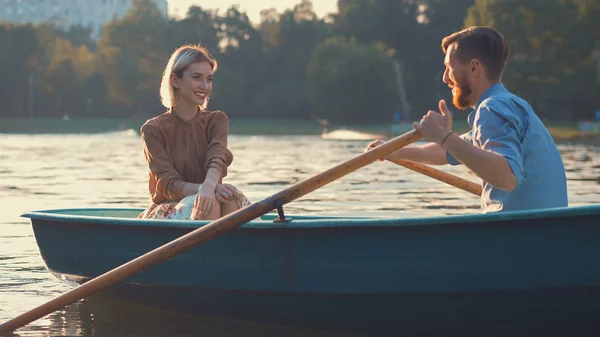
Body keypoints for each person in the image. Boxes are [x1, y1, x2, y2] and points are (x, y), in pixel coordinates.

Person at [366, 26, 568, 213]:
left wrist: (445, 138)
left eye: (448, 67)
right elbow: (446, 152)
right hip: (539, 235)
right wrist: (392, 151)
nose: (445, 78)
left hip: (522, 237)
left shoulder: (492, 109)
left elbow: (507, 177)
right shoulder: (510, 105)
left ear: (474, 67)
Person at [138, 44, 251, 220]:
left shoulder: (217, 120)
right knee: (209, 202)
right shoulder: (153, 129)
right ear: (175, 80)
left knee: (231, 198)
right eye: (197, 78)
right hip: (169, 207)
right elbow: (169, 185)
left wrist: (210, 185)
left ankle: (231, 247)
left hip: (209, 194)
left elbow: (217, 158)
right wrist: (204, 188)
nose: (205, 86)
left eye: (209, 79)